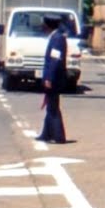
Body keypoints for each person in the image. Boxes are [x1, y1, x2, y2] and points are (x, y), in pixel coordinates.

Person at [37, 15, 68, 144]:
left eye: (44, 24)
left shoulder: (57, 39)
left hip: (55, 78)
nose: (42, 27)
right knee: (51, 106)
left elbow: (55, 60)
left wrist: (49, 78)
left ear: (48, 25)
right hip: (53, 77)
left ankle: (59, 136)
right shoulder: (55, 37)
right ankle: (47, 134)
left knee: (53, 107)